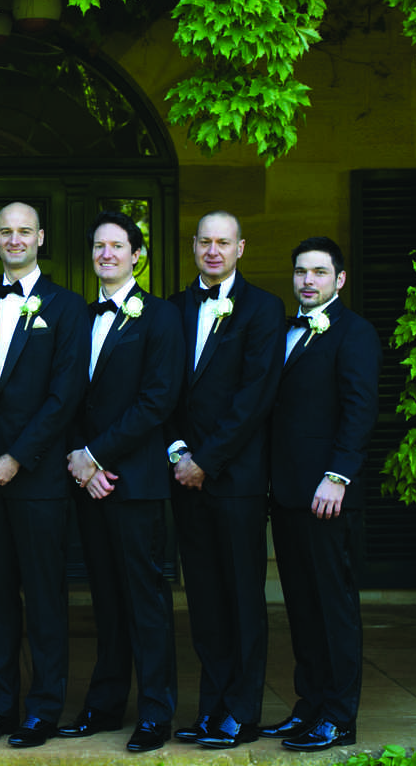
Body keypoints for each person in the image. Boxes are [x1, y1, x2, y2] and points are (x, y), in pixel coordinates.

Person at [0, 201, 87, 749]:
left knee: (44, 598)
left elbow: (64, 397)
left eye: (24, 231)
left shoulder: (68, 307)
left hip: (37, 481)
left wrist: (17, 457)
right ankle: (0, 708)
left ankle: (43, 710)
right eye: (5, 232)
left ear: (41, 238)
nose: (14, 239)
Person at [61, 212, 183, 752]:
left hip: (135, 482)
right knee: (105, 599)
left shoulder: (160, 317)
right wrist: (81, 466)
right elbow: (71, 399)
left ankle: (156, 713)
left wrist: (95, 455)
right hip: (90, 483)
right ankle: (106, 704)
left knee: (146, 600)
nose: (106, 253)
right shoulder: (80, 316)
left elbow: (157, 400)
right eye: (98, 245)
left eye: (117, 245)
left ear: (138, 255)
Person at [166, 210, 285, 749]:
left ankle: (243, 711)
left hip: (234, 479)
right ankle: (212, 708)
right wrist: (178, 453)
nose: (213, 250)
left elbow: (254, 397)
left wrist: (206, 460)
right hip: (183, 476)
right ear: (194, 246)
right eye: (205, 242)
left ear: (241, 248)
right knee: (205, 600)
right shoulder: (173, 307)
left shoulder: (264, 309)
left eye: (224, 242)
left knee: (241, 597)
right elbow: (163, 389)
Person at [262, 237, 379, 752]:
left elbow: (359, 410)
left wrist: (338, 476)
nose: (308, 281)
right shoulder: (285, 331)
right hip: (286, 494)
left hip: (327, 494)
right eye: (301, 271)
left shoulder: (355, 333)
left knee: (334, 608)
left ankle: (339, 717)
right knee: (302, 607)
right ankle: (308, 705)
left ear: (340, 279)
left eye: (319, 272)